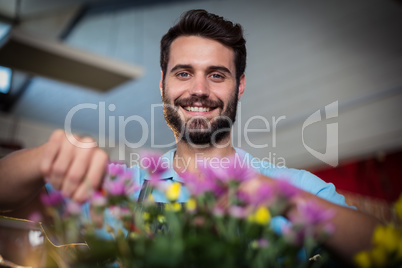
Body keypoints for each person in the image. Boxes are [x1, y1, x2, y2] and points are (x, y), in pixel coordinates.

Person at [0, 9, 380, 267]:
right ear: (163, 83)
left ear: (240, 85)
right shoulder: (119, 189)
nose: (199, 90)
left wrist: (279, 198)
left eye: (217, 75)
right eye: (183, 73)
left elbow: (385, 248)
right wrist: (47, 156)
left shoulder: (292, 188)